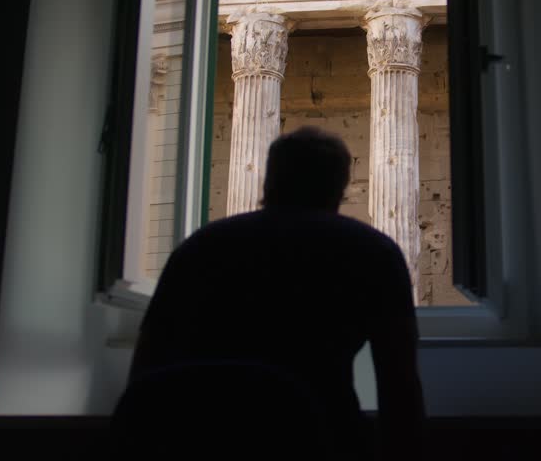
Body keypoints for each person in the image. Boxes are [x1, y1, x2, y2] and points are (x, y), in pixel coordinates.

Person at [118, 127, 424, 459]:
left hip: (205, 439)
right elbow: (399, 382)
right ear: (341, 188)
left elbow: (149, 360)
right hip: (323, 437)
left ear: (268, 181)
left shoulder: (201, 248)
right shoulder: (374, 253)